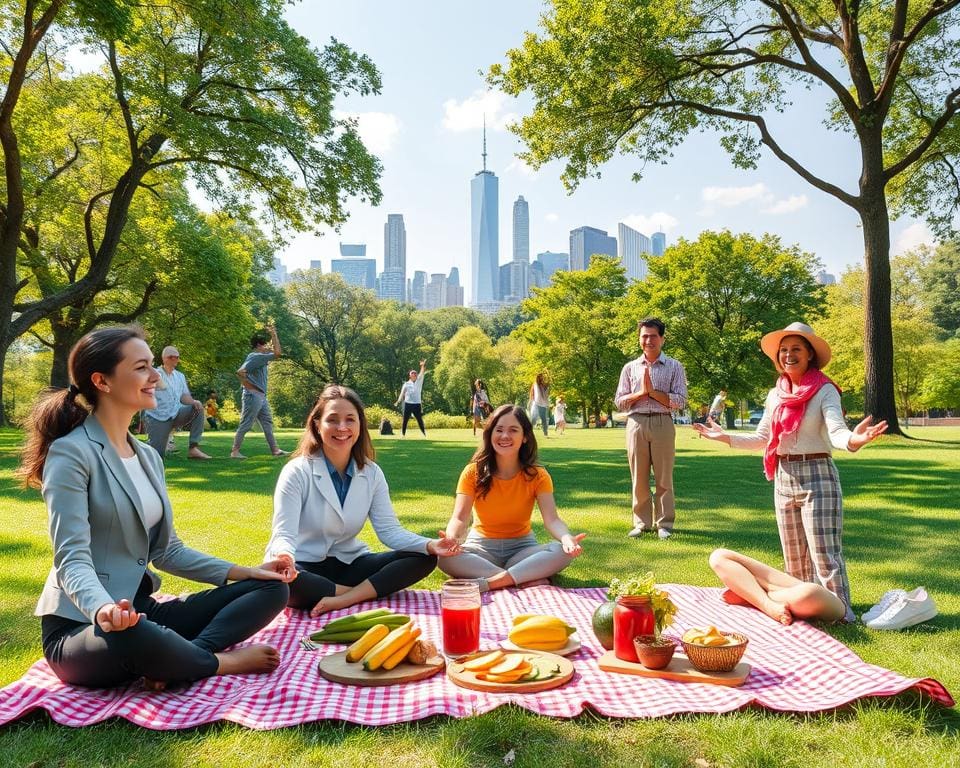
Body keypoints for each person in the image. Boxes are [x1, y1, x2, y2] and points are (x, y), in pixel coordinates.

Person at [16, 326, 294, 689]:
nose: (156, 378)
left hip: (140, 608)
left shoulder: (148, 456)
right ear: (102, 381)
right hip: (84, 626)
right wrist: (103, 609)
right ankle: (215, 662)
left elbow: (168, 551)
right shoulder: (71, 453)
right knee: (138, 633)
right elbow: (72, 559)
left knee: (272, 589)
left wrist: (247, 572)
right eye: (142, 367)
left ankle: (181, 657)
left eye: (152, 365)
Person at [694, 322, 887, 623]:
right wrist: (724, 437)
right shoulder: (776, 394)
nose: (788, 355)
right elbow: (763, 438)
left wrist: (854, 440)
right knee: (793, 555)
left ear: (810, 354)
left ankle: (842, 614)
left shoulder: (824, 390)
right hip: (784, 474)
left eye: (796, 349)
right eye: (783, 350)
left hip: (817, 473)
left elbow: (836, 431)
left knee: (824, 552)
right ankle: (799, 609)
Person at [266, 384, 460, 616]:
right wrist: (285, 557)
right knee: (284, 581)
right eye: (332, 420)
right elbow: (283, 533)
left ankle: (344, 598)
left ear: (360, 425)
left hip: (350, 564)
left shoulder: (371, 472)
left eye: (350, 419)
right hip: (304, 564)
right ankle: (362, 592)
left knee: (424, 558)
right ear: (317, 425)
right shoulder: (297, 471)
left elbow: (389, 531)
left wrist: (430, 545)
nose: (342, 427)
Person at [438, 404, 586, 591]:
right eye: (499, 430)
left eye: (513, 430)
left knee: (561, 551)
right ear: (490, 434)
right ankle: (523, 576)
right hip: (481, 548)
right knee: (442, 556)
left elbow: (552, 520)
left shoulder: (538, 475)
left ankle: (491, 582)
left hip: (522, 549)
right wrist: (451, 538)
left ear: (525, 437)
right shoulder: (472, 472)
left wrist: (566, 538)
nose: (505, 436)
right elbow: (460, 518)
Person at [614, 317, 688, 539]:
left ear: (662, 339)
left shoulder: (674, 366)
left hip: (662, 422)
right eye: (644, 336)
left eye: (653, 336)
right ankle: (642, 523)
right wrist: (640, 394)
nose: (649, 340)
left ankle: (664, 523)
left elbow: (681, 400)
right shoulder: (630, 368)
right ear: (639, 339)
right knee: (639, 476)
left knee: (664, 477)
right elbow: (620, 401)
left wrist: (654, 393)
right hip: (636, 423)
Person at [708, 548, 846, 625]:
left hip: (829, 600)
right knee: (718, 556)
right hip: (795, 589)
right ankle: (764, 601)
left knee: (810, 593)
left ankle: (753, 594)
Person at [142, 346, 211, 460]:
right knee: (157, 456)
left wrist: (194, 401)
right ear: (164, 358)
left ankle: (193, 448)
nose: (175, 359)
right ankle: (149, 444)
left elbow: (184, 396)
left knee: (198, 408)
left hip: (177, 413)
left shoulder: (180, 376)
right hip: (158, 418)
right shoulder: (155, 374)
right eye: (171, 357)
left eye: (177, 357)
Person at [231, 324, 287, 459]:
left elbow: (276, 352)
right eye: (265, 344)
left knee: (267, 423)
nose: (268, 347)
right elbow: (240, 371)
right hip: (253, 396)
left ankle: (275, 450)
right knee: (246, 423)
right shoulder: (256, 356)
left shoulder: (259, 358)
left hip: (261, 396)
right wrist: (249, 387)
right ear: (259, 345)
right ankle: (235, 452)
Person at [394, 359, 428, 437]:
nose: (414, 374)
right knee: (405, 420)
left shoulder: (419, 381)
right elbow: (402, 394)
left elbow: (422, 372)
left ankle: (424, 434)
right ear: (410, 376)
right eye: (412, 373)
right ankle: (403, 434)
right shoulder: (406, 384)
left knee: (419, 419)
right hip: (408, 404)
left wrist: (422, 365)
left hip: (417, 404)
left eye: (415, 373)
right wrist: (398, 401)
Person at [528, 372, 550, 437]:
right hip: (536, 404)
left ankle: (545, 433)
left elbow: (547, 386)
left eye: (542, 377)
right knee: (533, 419)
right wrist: (530, 401)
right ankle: (529, 432)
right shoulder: (535, 384)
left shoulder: (543, 385)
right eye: (540, 377)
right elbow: (533, 393)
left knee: (544, 420)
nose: (542, 378)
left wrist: (548, 375)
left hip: (543, 405)